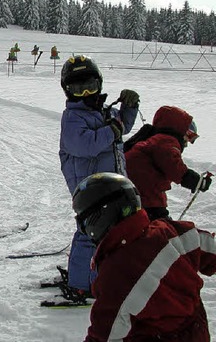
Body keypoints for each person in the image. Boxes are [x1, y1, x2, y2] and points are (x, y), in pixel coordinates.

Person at [72, 172, 216, 341]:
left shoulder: (117, 274)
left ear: (98, 218)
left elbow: (104, 334)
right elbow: (209, 249)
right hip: (197, 328)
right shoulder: (167, 230)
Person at [59, 55, 139, 298]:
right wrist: (111, 130)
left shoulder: (104, 111)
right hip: (89, 187)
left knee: (111, 232)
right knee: (89, 233)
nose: (85, 94)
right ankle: (81, 284)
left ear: (99, 84)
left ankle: (103, 273)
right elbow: (85, 145)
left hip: (110, 183)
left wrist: (130, 106)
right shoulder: (72, 117)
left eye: (90, 87)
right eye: (77, 89)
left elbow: (123, 125)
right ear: (67, 91)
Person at [125, 105, 211, 220]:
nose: (187, 143)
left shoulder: (154, 140)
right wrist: (197, 181)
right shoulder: (165, 141)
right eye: (189, 135)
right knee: (163, 228)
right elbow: (173, 166)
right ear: (178, 130)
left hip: (138, 194)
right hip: (146, 198)